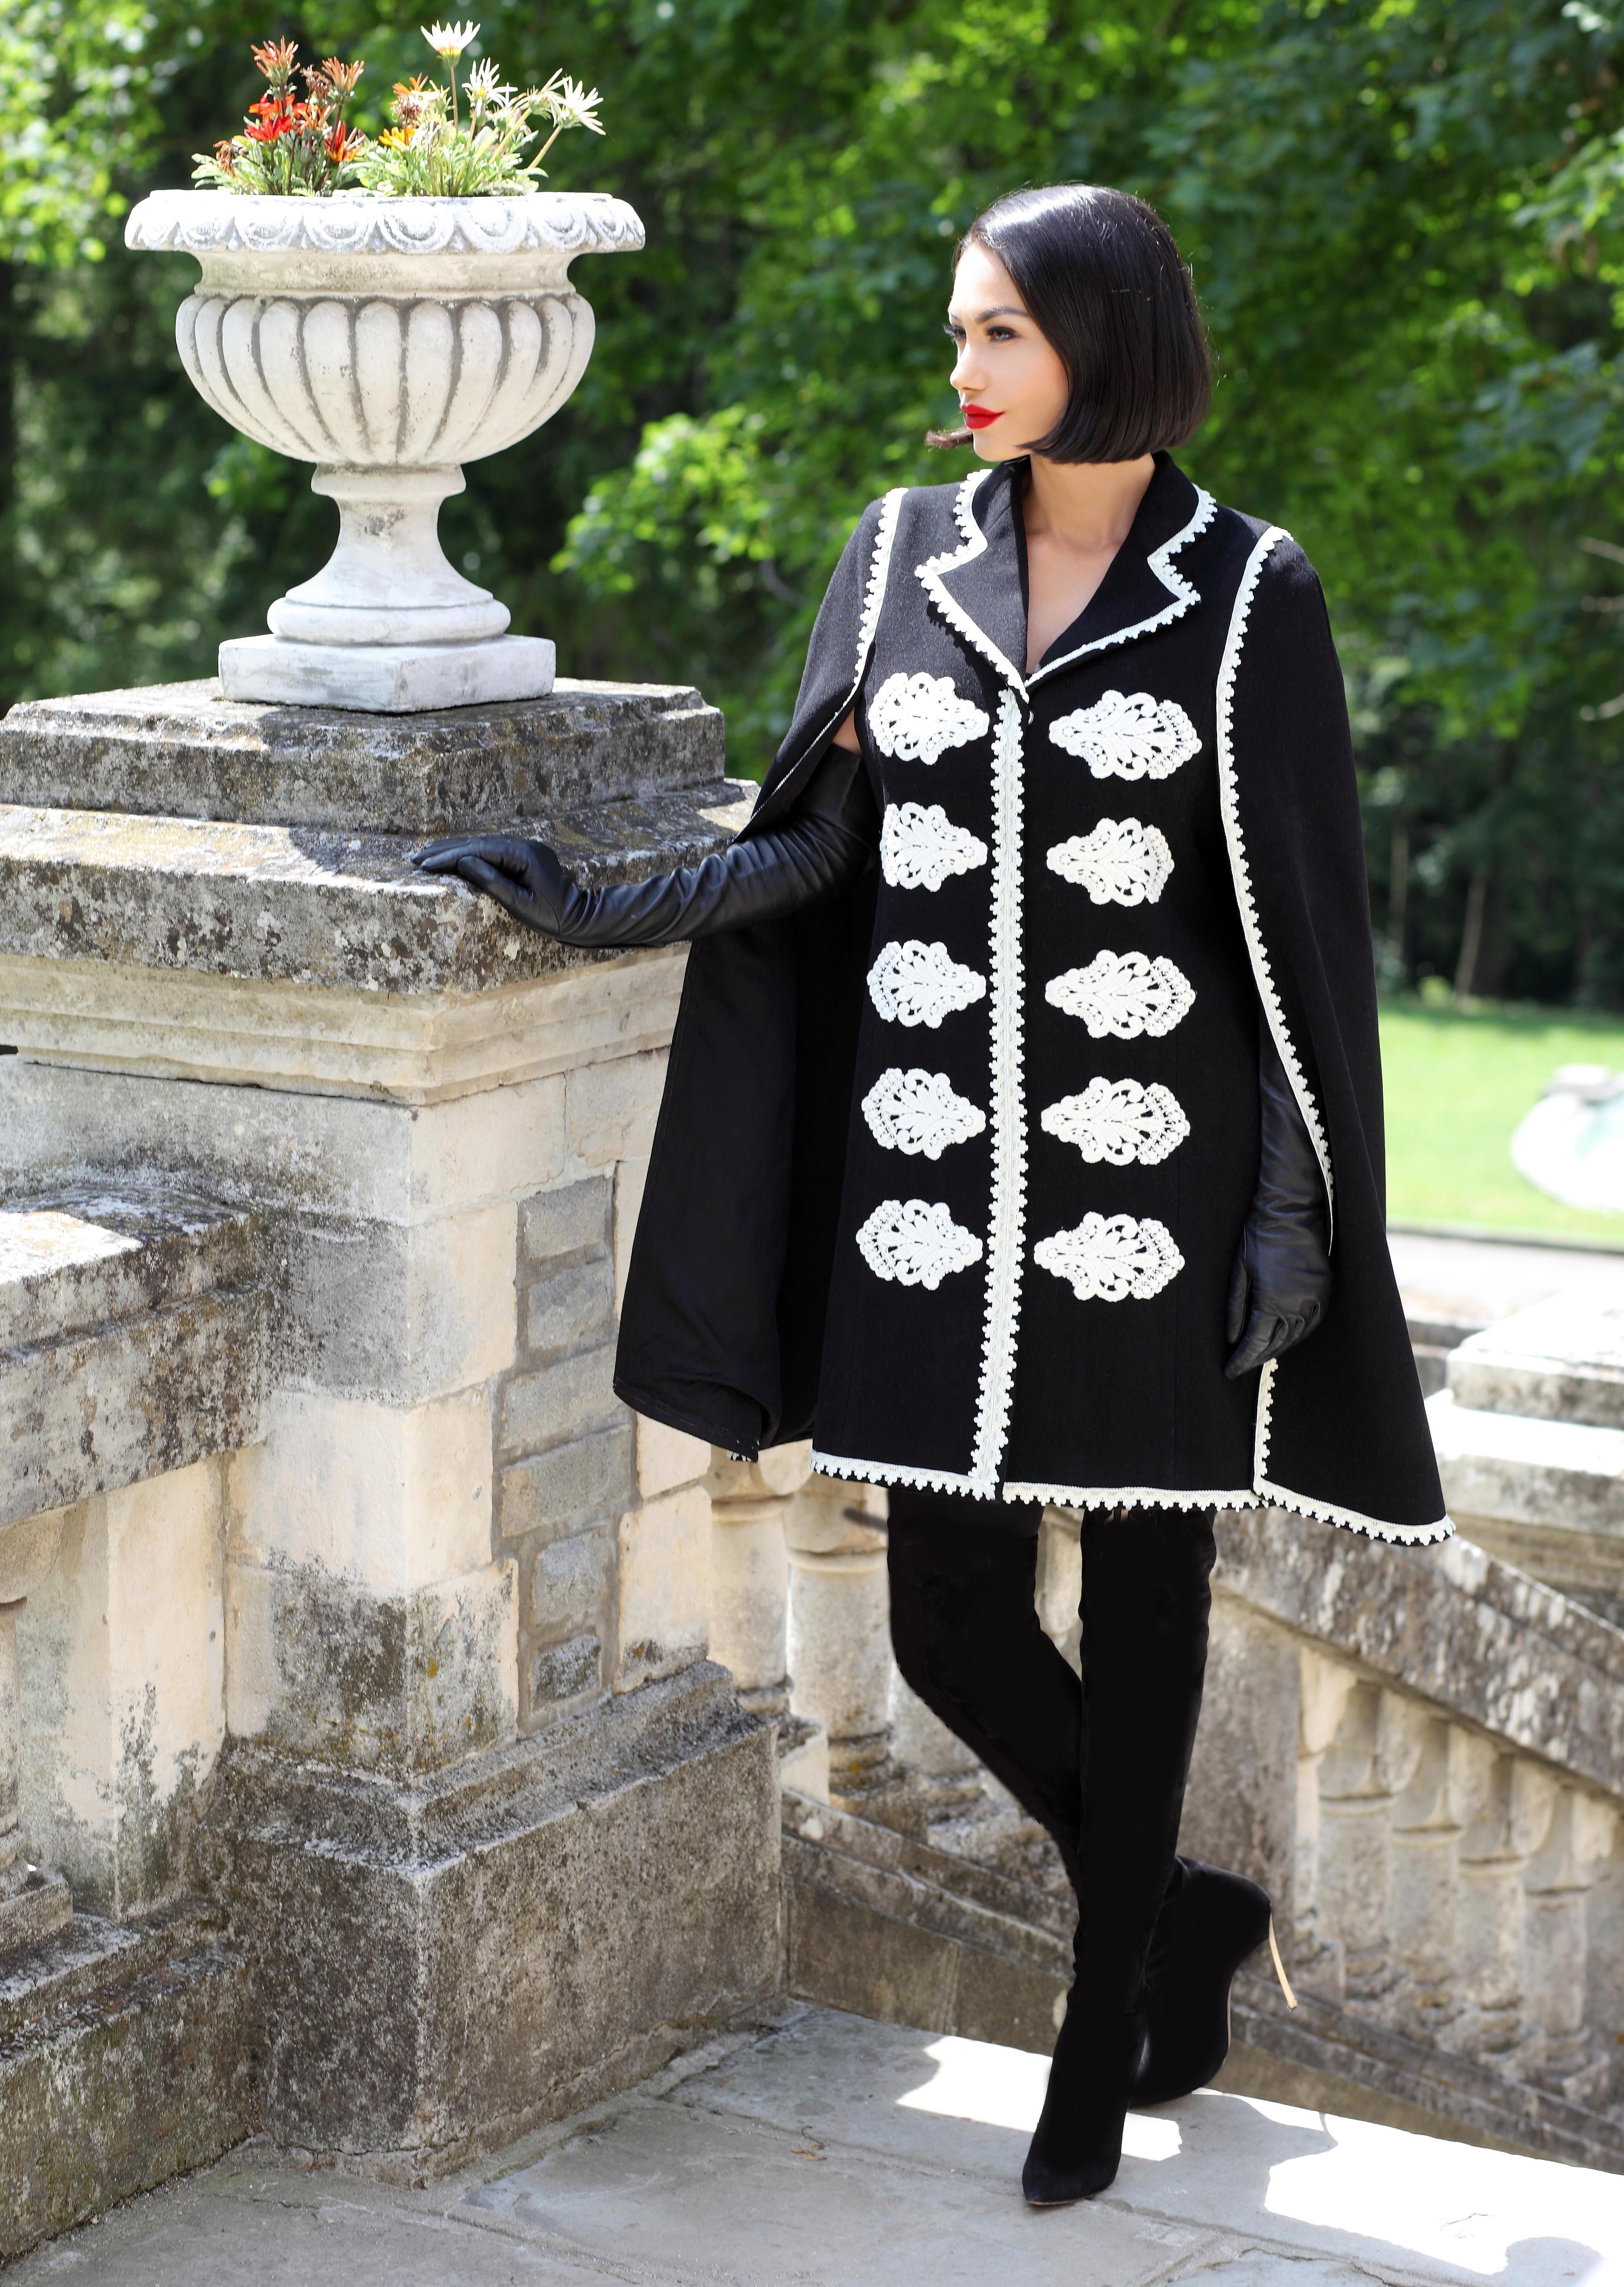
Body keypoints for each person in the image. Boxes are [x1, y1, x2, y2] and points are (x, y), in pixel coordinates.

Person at [417, 183, 1451, 2207]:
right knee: (945, 1627)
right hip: (927, 1203)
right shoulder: (896, 552)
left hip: (1156, 1205)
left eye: (997, 333)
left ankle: (1096, 2034)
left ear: (1103, 345)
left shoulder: (1251, 593)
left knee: (1144, 1615)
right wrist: (603, 903)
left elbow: (1297, 932)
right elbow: (818, 844)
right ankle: (1180, 1915)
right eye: (959, 331)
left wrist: (1289, 1212)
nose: (959, 367)